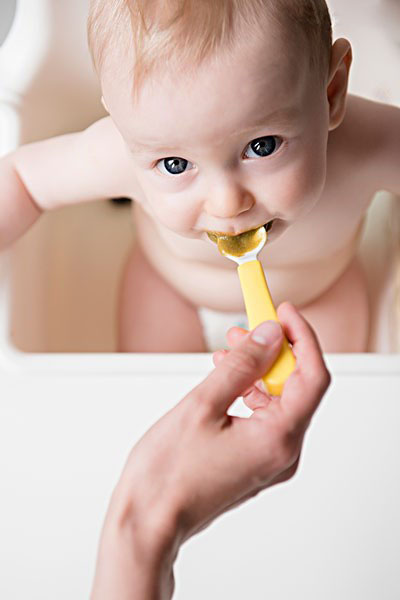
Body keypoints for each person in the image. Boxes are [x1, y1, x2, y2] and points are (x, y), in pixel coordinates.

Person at [1, 0, 399, 354]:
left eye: (262, 146)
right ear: (122, 127)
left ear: (331, 93)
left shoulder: (365, 145)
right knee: (154, 400)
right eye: (175, 165)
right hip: (174, 292)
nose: (227, 203)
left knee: (331, 406)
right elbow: (22, 179)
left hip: (318, 295)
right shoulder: (119, 153)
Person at [90, 303, 331, 599]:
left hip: (317, 291)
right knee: (150, 384)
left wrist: (147, 519)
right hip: (174, 289)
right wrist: (148, 518)